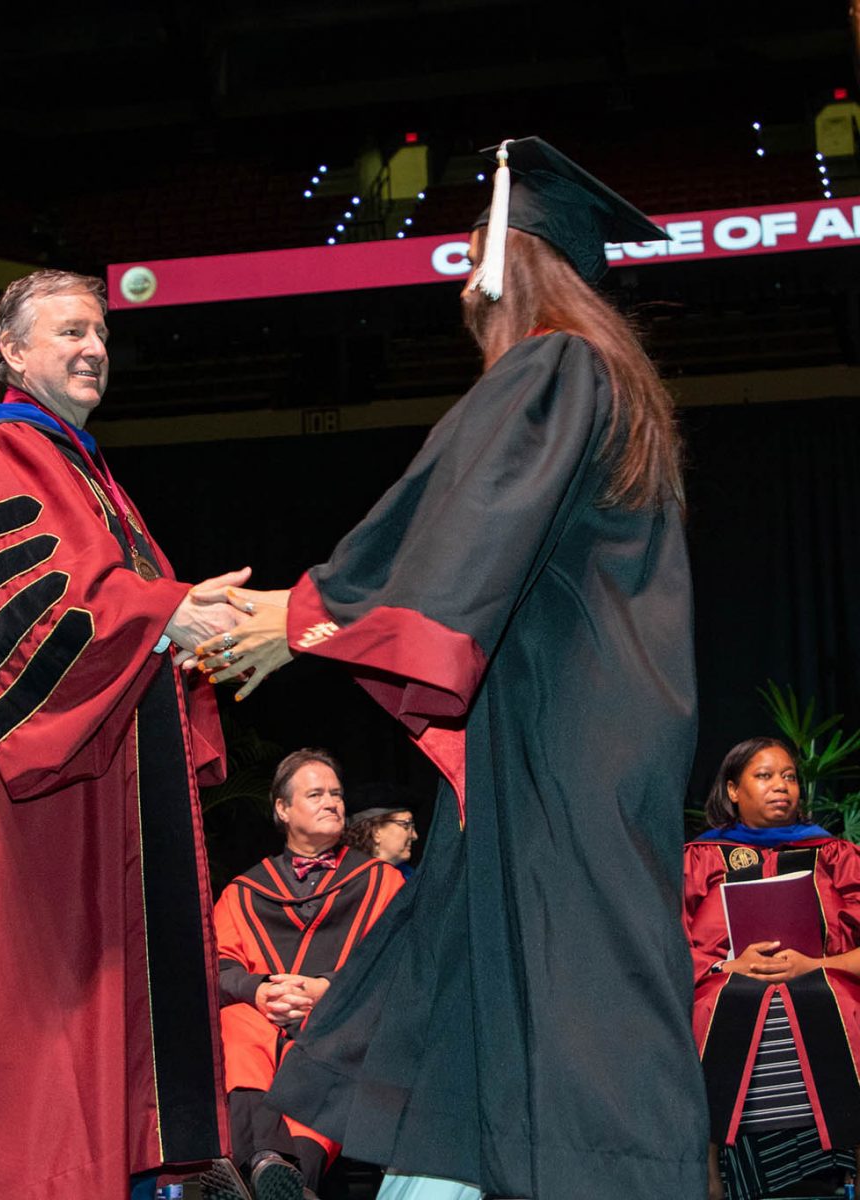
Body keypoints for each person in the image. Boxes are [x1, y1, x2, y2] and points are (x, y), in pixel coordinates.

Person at [196, 137, 708, 1199]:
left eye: (475, 263)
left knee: (573, 1012)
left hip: (555, 758)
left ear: (507, 265)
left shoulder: (559, 366)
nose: (468, 296)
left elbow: (467, 524)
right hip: (579, 751)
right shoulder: (617, 382)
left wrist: (304, 614)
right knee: (488, 988)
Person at [0, 269, 248, 1200]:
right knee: (43, 1026)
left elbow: (124, 610)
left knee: (94, 1021)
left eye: (99, 332)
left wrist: (184, 627)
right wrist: (169, 611)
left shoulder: (82, 469)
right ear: (12, 352)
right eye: (68, 333)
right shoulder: (4, 453)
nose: (93, 347)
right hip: (41, 803)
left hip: (96, 791)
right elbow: (42, 614)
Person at [205, 748, 403, 1200]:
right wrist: (258, 991)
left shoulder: (380, 882)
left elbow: (396, 961)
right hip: (265, 1015)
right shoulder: (244, 891)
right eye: (315, 793)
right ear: (282, 808)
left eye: (336, 793)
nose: (332, 802)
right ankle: (269, 1166)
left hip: (341, 1018)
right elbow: (218, 963)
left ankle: (289, 1173)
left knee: (339, 1034)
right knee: (238, 1022)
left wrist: (324, 990)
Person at [685, 737, 860, 1200]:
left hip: (825, 991)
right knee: (723, 1003)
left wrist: (817, 962)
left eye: (788, 776)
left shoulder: (836, 857)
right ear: (733, 790)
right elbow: (665, 946)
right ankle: (713, 1176)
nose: (781, 786)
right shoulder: (699, 860)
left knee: (830, 998)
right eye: (764, 776)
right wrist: (728, 964)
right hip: (724, 990)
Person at [344, 806, 417, 874]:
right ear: (376, 832)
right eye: (406, 825)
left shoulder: (411, 878)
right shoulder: (348, 877)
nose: (414, 836)